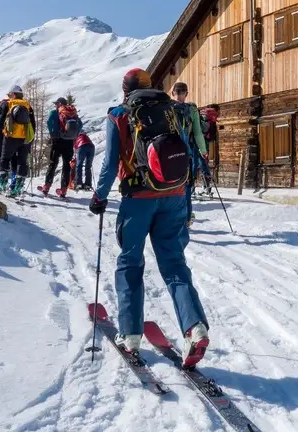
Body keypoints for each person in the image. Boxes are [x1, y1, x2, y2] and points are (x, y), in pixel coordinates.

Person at [90, 68, 210, 366]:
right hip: (174, 195)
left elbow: (110, 163)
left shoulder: (120, 114)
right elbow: (187, 151)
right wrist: (185, 196)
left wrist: (99, 196)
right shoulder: (173, 110)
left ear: (125, 88)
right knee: (174, 263)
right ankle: (195, 328)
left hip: (139, 199)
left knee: (131, 261)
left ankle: (130, 334)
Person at [0, 84, 35, 197]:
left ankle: (2, 185)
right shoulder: (28, 106)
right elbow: (32, 124)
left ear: (13, 94)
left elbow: (0, 120)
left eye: (9, 94)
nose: (8, 96)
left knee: (4, 159)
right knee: (22, 162)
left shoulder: (7, 104)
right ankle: (17, 189)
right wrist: (31, 140)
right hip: (25, 139)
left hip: (10, 138)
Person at [171, 82, 208, 230]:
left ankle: (170, 218)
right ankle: (186, 219)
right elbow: (198, 133)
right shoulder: (192, 110)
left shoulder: (167, 108)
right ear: (186, 94)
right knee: (186, 186)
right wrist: (203, 151)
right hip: (185, 153)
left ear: (172, 93)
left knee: (169, 185)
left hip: (167, 153)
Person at [38, 97, 80, 198]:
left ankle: (46, 187)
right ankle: (63, 191)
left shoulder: (54, 113)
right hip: (69, 142)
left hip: (57, 141)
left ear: (59, 104)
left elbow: (49, 122)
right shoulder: (73, 114)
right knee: (66, 166)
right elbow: (80, 125)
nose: (55, 105)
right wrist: (74, 136)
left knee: (53, 164)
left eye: (56, 103)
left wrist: (53, 134)